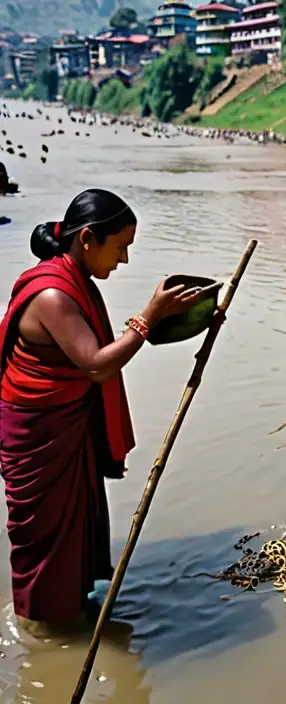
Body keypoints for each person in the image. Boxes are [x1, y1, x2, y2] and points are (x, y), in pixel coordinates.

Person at [0, 189, 202, 632]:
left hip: (66, 423)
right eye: (120, 246)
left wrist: (190, 317)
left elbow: (105, 350)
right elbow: (95, 364)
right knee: (44, 538)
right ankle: (41, 633)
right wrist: (149, 314)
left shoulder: (75, 280)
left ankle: (68, 612)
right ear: (88, 239)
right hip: (39, 432)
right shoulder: (53, 294)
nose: (125, 259)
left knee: (71, 528)